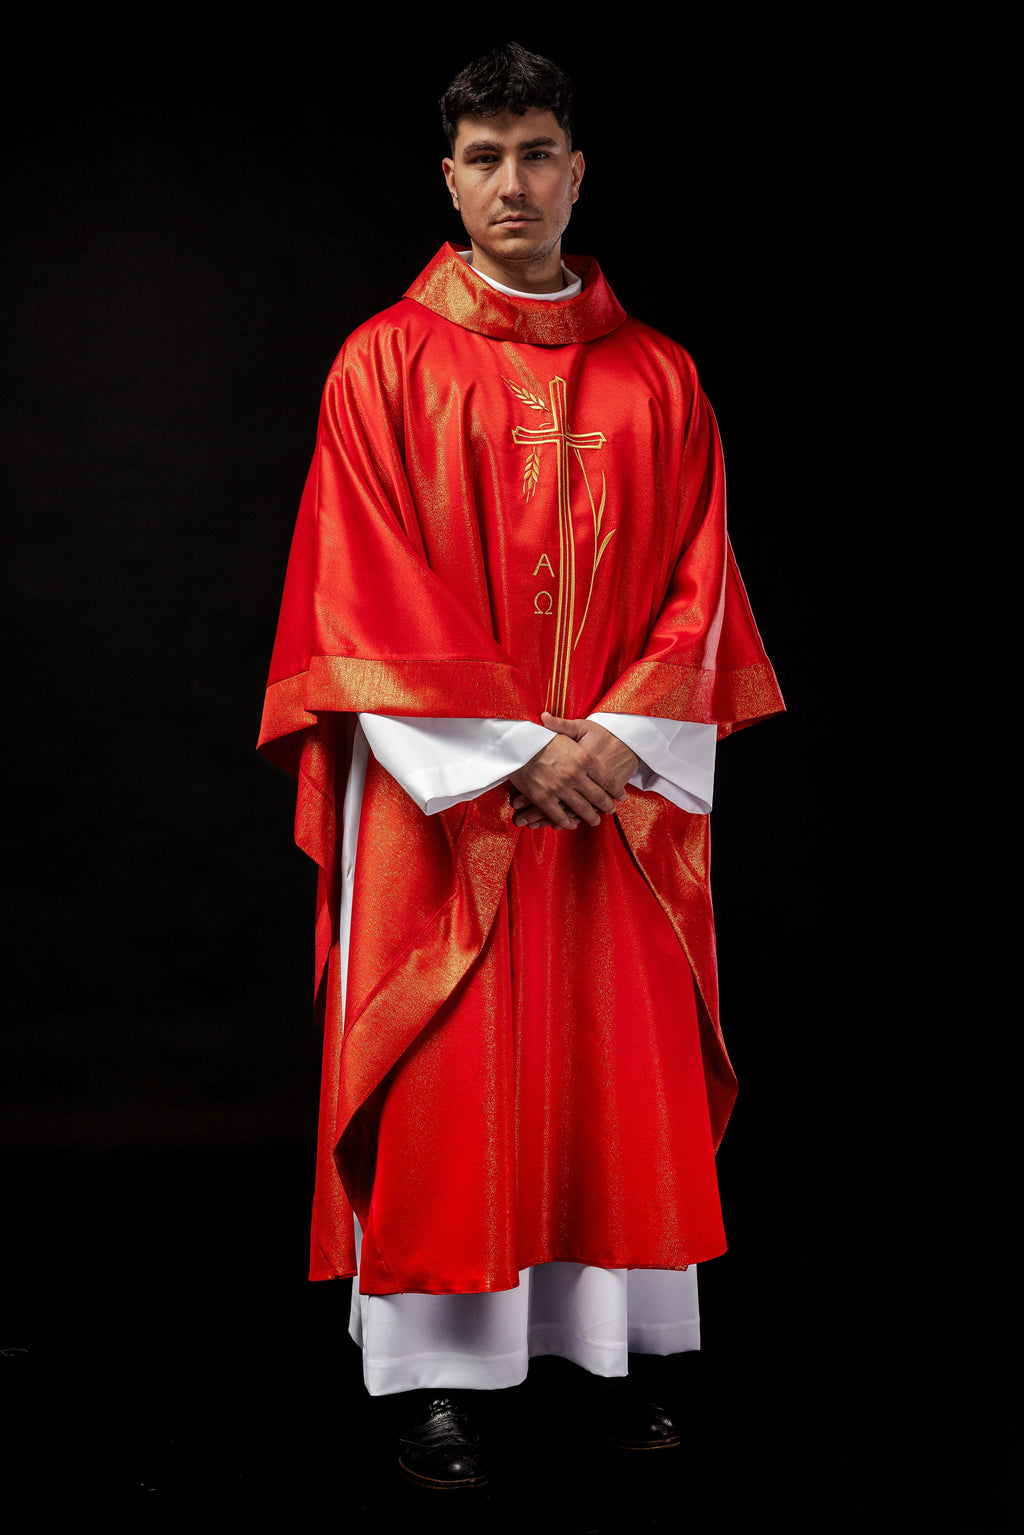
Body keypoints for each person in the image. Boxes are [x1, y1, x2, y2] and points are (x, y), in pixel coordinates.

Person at [258, 42, 783, 1488]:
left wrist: (613, 741)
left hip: (616, 787)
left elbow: (705, 587)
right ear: (448, 177)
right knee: (451, 1074)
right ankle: (441, 1377)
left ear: (576, 171)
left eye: (537, 153)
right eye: (483, 159)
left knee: (607, 1075)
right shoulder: (381, 363)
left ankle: (610, 1351)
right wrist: (505, 753)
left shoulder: (662, 376)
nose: (511, 183)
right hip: (450, 797)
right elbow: (356, 589)